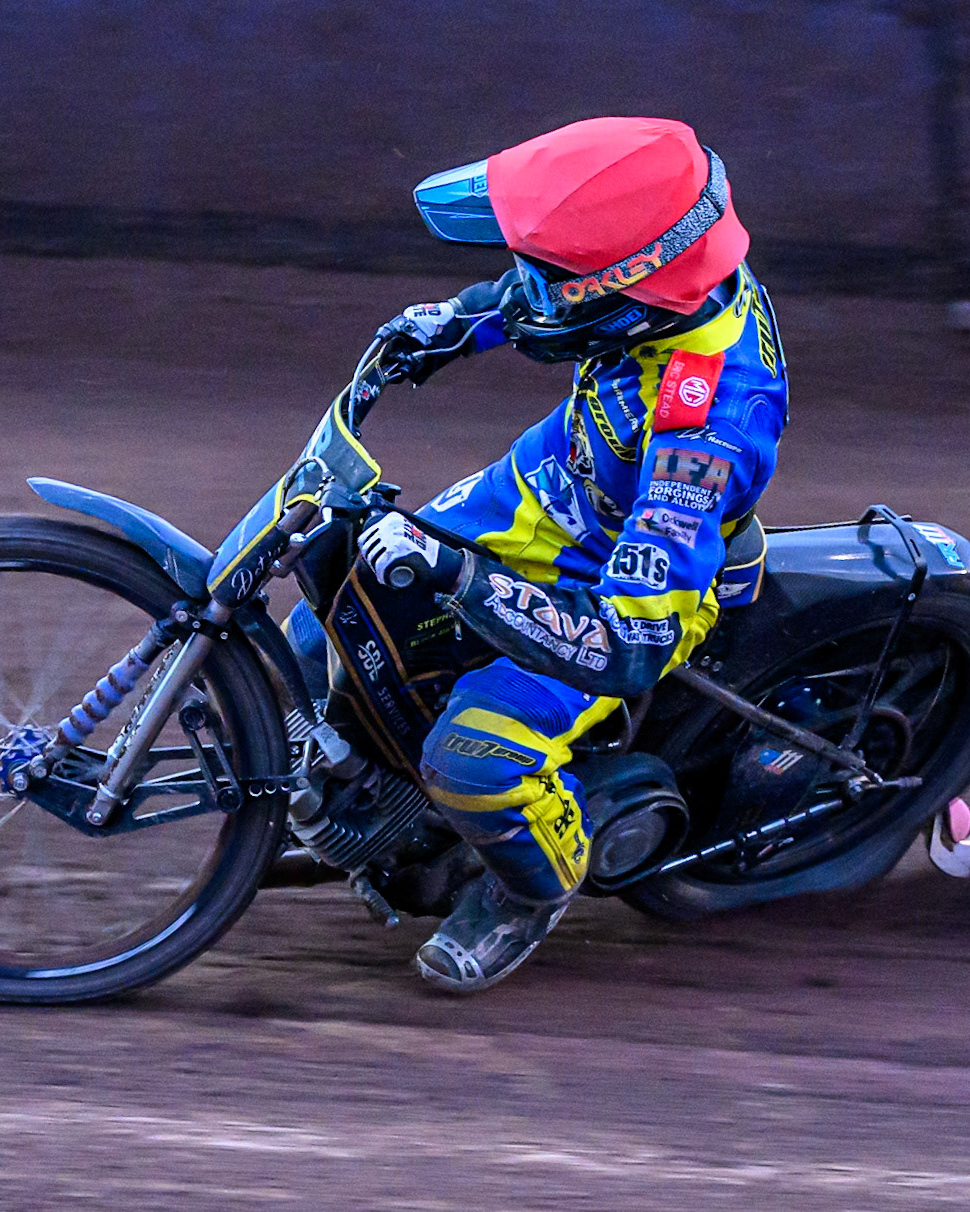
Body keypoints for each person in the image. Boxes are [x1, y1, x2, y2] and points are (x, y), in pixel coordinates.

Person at [294, 116, 788, 992]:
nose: (531, 292)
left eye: (553, 284)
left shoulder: (703, 434)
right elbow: (553, 285)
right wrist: (450, 324)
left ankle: (529, 891)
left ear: (630, 299)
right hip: (552, 479)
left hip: (623, 579)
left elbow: (623, 646)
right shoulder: (678, 256)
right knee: (327, 611)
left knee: (473, 760)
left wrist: (462, 579)